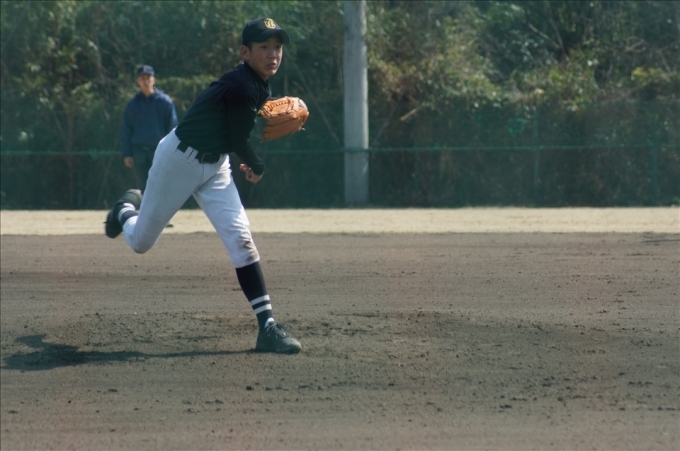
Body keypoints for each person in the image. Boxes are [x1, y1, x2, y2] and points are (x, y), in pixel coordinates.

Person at [104, 18, 301, 354]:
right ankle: (124, 209)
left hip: (216, 166)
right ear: (245, 52)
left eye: (277, 47)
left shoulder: (259, 85)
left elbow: (232, 134)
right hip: (178, 161)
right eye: (264, 47)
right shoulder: (242, 85)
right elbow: (239, 138)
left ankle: (267, 326)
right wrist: (257, 165)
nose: (273, 54)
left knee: (241, 240)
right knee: (140, 242)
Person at [120, 65, 178, 193]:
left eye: (148, 78)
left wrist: (172, 152)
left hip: (160, 152)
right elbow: (126, 130)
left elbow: (173, 128)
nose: (145, 81)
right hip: (139, 153)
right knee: (142, 188)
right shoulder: (132, 105)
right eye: (142, 78)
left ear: (154, 80)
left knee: (160, 186)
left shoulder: (165, 102)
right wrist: (127, 154)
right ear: (138, 81)